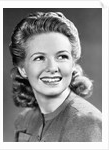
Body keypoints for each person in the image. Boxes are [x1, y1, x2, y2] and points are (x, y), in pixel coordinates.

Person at [9, 12, 102, 142]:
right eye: (39, 58)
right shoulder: (24, 120)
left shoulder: (87, 124)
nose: (52, 67)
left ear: (72, 64)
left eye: (62, 56)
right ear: (23, 69)